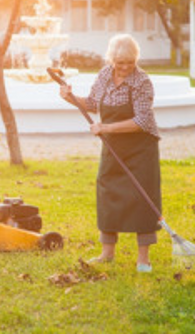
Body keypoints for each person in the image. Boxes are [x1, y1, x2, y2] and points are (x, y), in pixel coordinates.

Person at [59, 34, 161, 273]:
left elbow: (141, 121)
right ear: (111, 59)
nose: (125, 67)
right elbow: (93, 104)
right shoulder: (105, 75)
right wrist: (70, 98)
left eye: (130, 62)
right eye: (120, 62)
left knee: (141, 198)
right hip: (113, 146)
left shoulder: (142, 81)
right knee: (107, 192)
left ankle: (143, 258)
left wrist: (105, 128)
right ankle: (107, 253)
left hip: (140, 147)